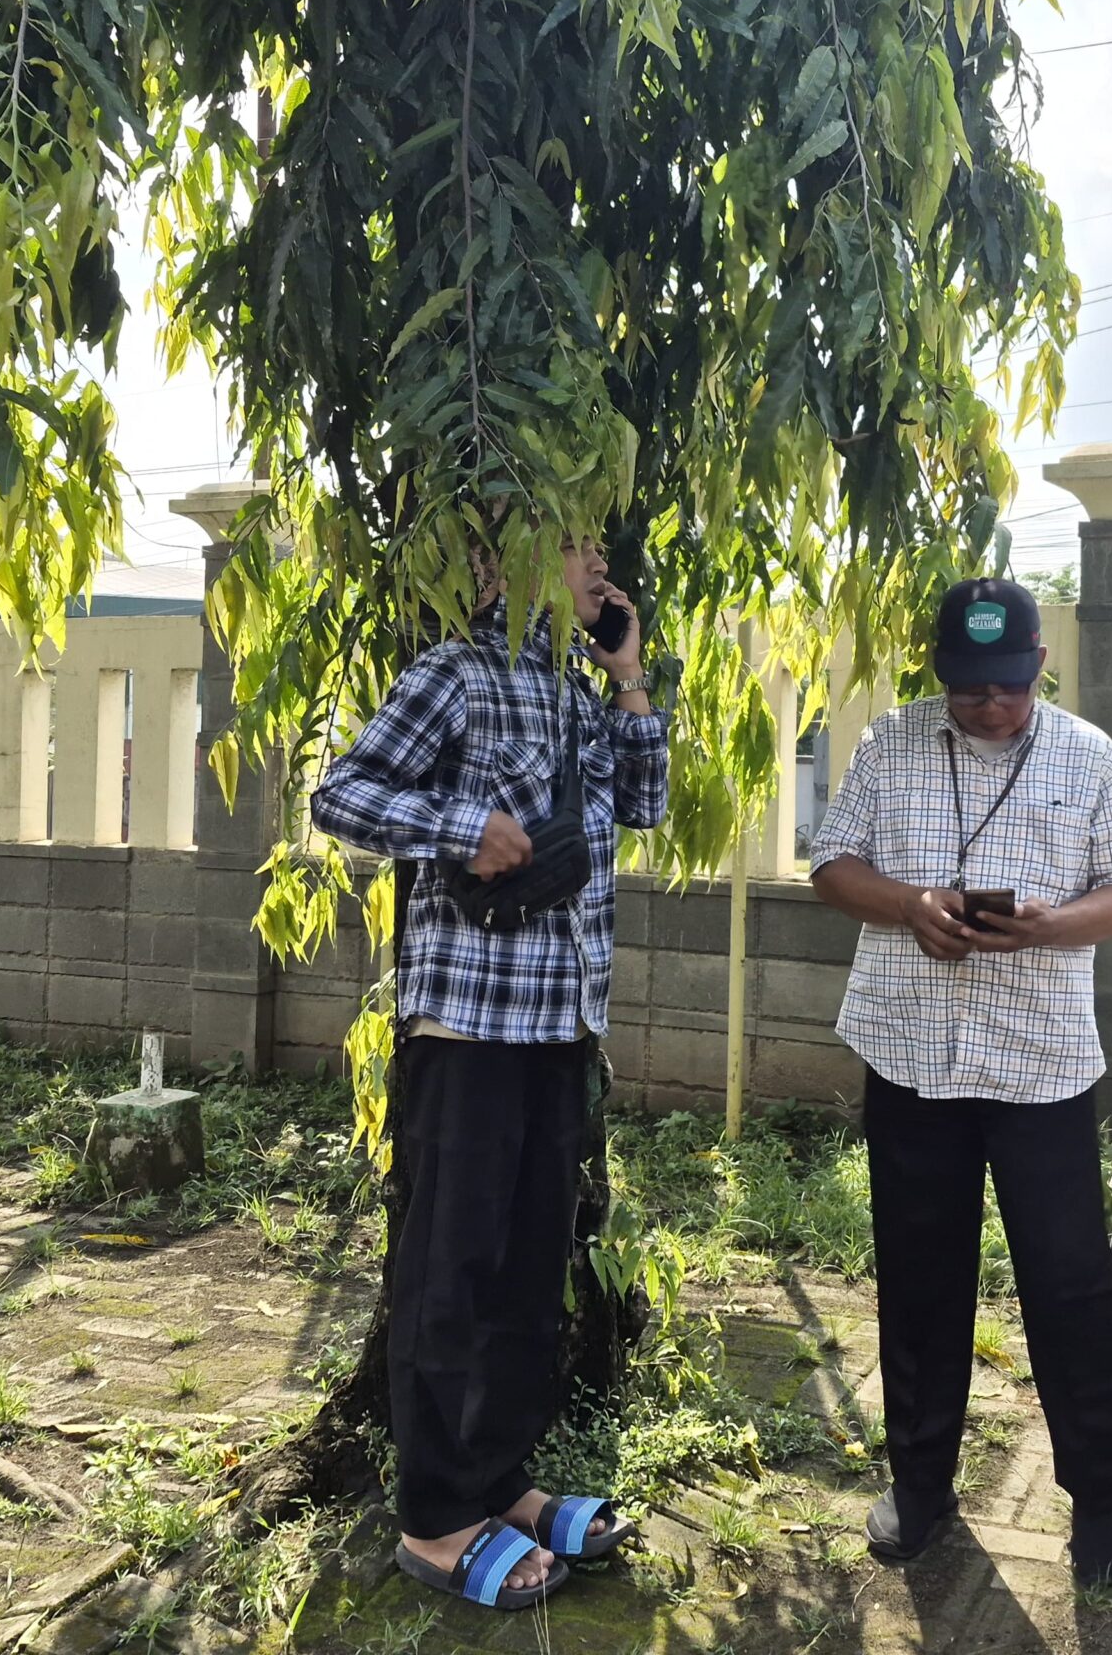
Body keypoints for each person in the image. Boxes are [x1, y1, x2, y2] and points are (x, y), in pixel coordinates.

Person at [308, 538, 667, 1611]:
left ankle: (500, 1483)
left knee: (522, 1276)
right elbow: (342, 795)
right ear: (502, 562)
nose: (598, 561)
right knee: (450, 1276)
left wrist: (629, 676)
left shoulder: (572, 686)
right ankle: (432, 1520)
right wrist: (463, 828)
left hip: (563, 1029)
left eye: (600, 547)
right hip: (465, 1031)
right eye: (575, 547)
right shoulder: (453, 673)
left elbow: (642, 806)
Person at [807, 578, 1112, 1587]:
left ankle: (1098, 1503)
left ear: (1041, 666)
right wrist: (913, 905)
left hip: (1037, 1059)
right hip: (910, 1053)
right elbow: (832, 865)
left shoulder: (1086, 753)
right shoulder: (890, 742)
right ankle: (920, 1487)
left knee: (1067, 1283)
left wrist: (1049, 925)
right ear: (939, 677)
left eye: (1008, 689)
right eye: (969, 693)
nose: (991, 709)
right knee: (920, 1279)